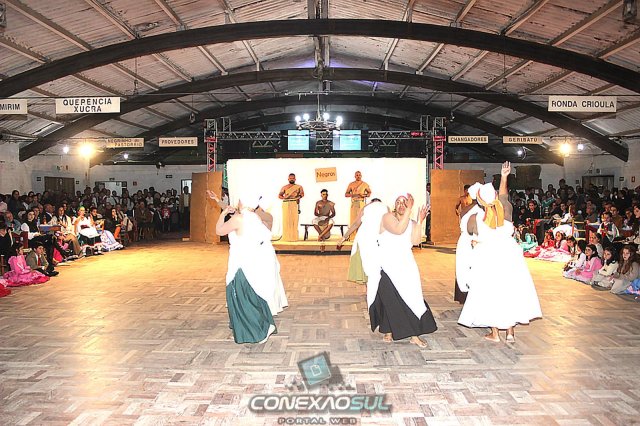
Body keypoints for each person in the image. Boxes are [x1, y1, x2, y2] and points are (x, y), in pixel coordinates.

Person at [458, 162, 542, 343]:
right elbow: (504, 195)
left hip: (488, 256)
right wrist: (504, 177)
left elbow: (469, 232)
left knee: (491, 292)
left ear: (480, 200)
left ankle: (495, 333)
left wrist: (476, 240)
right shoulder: (506, 209)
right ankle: (510, 333)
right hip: (509, 255)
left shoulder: (475, 218)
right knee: (508, 290)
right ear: (495, 196)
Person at [211, 192, 287, 344]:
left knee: (241, 297)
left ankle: (259, 330)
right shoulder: (254, 217)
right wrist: (218, 201)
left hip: (241, 262)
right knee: (250, 296)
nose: (237, 203)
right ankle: (246, 328)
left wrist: (223, 214)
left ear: (243, 202)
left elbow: (219, 230)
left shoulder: (239, 218)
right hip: (252, 261)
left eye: (239, 200)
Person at [371, 193, 436, 347]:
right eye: (398, 202)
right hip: (387, 265)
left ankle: (400, 332)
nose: (401, 205)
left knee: (411, 297)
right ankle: (401, 332)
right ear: (394, 205)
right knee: (391, 298)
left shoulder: (410, 221)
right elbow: (399, 230)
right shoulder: (387, 218)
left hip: (406, 264)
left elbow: (415, 241)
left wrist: (419, 221)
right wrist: (409, 210)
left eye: (404, 202)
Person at [337, 198, 388, 285]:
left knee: (365, 265)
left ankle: (370, 288)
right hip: (379, 240)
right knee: (378, 266)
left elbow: (356, 224)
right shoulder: (385, 207)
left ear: (371, 202)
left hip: (364, 239)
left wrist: (343, 237)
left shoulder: (366, 207)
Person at [455, 182, 483, 304]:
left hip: (464, 241)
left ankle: (464, 297)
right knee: (470, 268)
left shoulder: (467, 209)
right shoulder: (478, 211)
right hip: (472, 240)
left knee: (463, 268)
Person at [278, 173, 304, 241]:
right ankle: (286, 237)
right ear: (288, 179)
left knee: (294, 220)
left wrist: (298, 197)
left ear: (295, 179)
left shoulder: (299, 187)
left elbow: (302, 194)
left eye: (293, 178)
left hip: (294, 203)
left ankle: (293, 237)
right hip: (286, 203)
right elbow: (279, 195)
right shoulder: (284, 187)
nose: (291, 179)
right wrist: (284, 197)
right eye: (290, 178)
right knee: (286, 219)